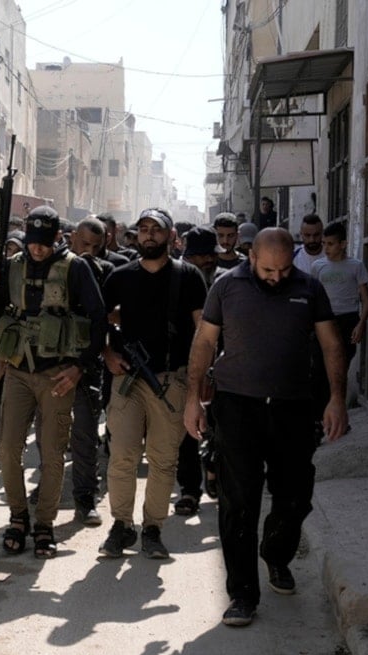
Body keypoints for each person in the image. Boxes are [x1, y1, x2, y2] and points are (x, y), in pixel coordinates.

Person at [184, 227, 348, 627]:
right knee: (238, 503)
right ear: (251, 258)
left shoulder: (309, 288)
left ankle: (275, 554)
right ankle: (242, 594)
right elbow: (205, 341)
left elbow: (331, 344)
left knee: (294, 496)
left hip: (293, 407)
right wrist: (193, 398)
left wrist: (337, 399)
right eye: (269, 269)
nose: (277, 277)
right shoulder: (226, 287)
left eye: (284, 269)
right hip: (238, 407)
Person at [0, 207, 107, 557]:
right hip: (19, 370)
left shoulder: (76, 267)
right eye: (31, 242)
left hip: (58, 374)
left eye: (44, 242)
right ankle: (18, 516)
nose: (37, 249)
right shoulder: (13, 265)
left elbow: (98, 320)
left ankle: (44, 524)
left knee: (52, 454)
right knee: (8, 449)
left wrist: (80, 367)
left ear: (57, 237)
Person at [99, 207, 207, 560]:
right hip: (127, 380)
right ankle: (121, 526)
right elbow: (94, 321)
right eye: (143, 229)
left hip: (171, 379)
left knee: (162, 460)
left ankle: (153, 528)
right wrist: (107, 355)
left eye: (155, 230)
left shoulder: (187, 276)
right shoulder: (120, 276)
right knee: (123, 456)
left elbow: (203, 333)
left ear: (171, 236)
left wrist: (195, 384)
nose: (148, 235)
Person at [64, 216, 116, 525]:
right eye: (85, 245)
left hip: (87, 360)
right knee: (50, 434)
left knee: (84, 433)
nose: (90, 252)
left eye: (97, 247)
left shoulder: (106, 272)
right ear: (72, 238)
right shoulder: (57, 265)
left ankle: (85, 497)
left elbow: (106, 319)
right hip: (52, 359)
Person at [172, 226, 224, 516]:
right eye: (197, 256)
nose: (204, 261)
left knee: (221, 430)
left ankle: (215, 466)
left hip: (226, 370)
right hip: (188, 368)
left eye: (208, 255)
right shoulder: (177, 281)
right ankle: (190, 490)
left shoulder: (228, 281)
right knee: (188, 432)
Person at [311, 222, 368, 373]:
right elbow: (312, 297)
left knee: (342, 366)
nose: (326, 248)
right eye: (324, 244)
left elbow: (367, 300)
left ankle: (339, 395)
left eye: (330, 244)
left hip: (347, 320)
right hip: (324, 320)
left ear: (343, 244)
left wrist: (361, 324)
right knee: (320, 365)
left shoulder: (355, 266)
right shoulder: (318, 266)